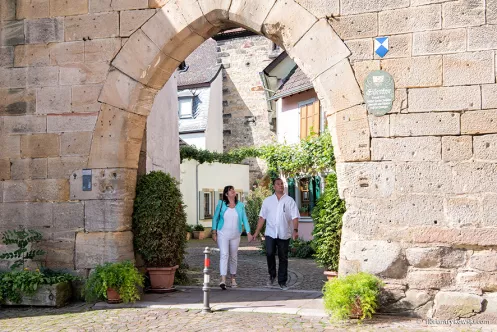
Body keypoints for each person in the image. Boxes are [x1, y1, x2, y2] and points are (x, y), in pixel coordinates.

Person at [252, 178, 299, 290]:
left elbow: (295, 217)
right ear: (274, 187)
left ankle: (282, 281)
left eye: (282, 184)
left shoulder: (289, 200)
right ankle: (272, 275)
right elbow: (262, 217)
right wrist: (256, 232)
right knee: (269, 253)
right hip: (270, 233)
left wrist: (295, 230)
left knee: (283, 258)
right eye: (278, 184)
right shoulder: (267, 201)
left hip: (284, 234)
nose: (281, 185)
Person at [212, 185, 253, 290]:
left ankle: (233, 279)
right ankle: (223, 279)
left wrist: (248, 232)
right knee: (224, 254)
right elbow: (215, 218)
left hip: (236, 234)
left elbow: (244, 219)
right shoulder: (221, 204)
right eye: (230, 190)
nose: (233, 191)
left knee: (233, 257)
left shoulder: (240, 205)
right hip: (223, 234)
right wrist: (214, 232)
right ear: (226, 194)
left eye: (233, 190)